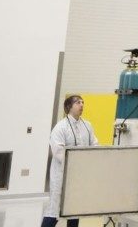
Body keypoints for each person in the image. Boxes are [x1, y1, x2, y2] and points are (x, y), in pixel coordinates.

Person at [43, 94, 99, 227]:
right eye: (78, 102)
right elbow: (58, 152)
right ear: (69, 107)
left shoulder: (87, 126)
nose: (81, 105)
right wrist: (77, 163)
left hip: (79, 177)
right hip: (61, 176)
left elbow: (94, 145)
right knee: (54, 210)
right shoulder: (60, 127)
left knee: (74, 210)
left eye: (82, 102)